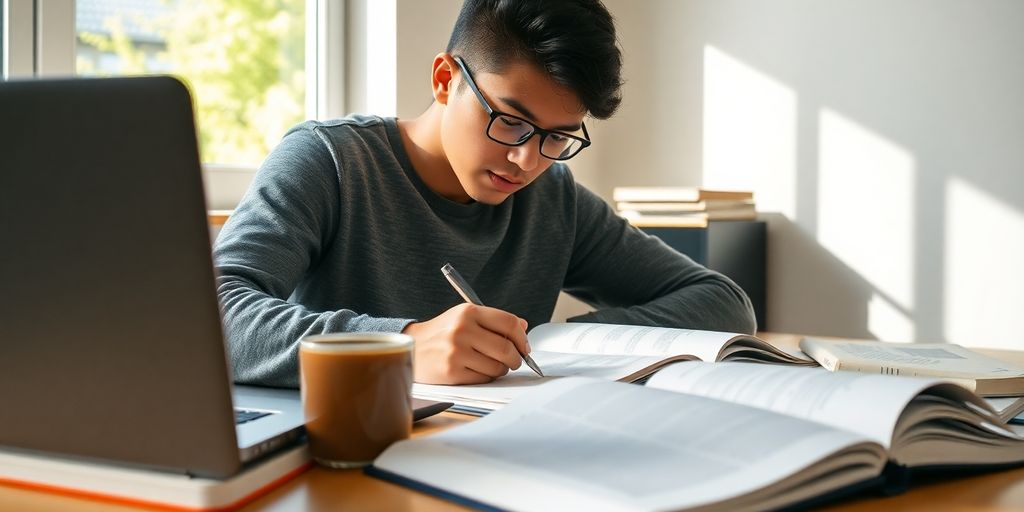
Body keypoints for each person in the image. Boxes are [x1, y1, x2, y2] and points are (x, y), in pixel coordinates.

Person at [214, 0, 756, 388]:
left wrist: (563, 343)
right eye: (512, 122)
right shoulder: (329, 161)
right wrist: (402, 347)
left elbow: (723, 302)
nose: (528, 160)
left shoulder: (554, 200)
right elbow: (215, 315)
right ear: (446, 79)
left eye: (558, 136)